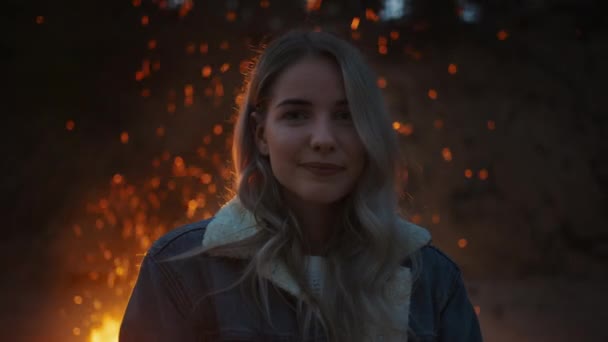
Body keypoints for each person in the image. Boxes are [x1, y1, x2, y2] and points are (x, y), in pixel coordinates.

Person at [119, 30, 482, 342]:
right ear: (261, 134)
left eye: (346, 116)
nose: (323, 139)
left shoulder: (432, 280)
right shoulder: (183, 269)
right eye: (296, 115)